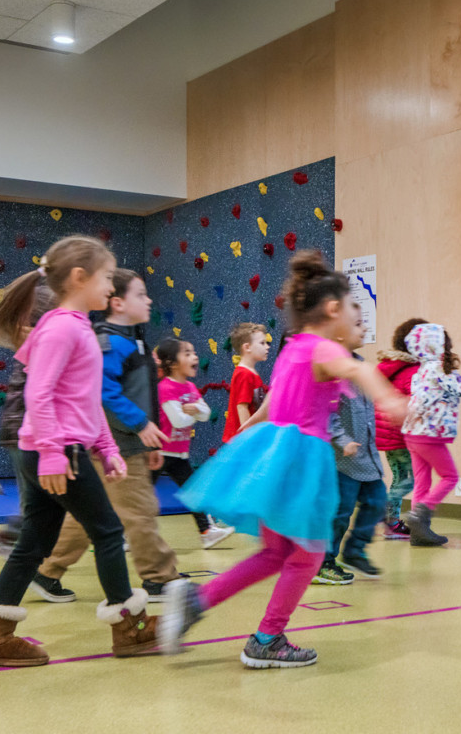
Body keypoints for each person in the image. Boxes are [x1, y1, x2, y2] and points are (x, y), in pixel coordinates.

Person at [159, 250, 407, 669]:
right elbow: (358, 371)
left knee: (277, 553)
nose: (356, 316)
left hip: (276, 452)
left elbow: (273, 406)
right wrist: (388, 398)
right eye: (353, 308)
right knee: (308, 555)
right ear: (333, 309)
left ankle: (196, 601)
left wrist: (244, 436)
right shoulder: (322, 349)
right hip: (302, 460)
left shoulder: (293, 348)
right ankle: (267, 638)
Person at [0, 236, 159, 668]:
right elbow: (40, 392)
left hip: (58, 445)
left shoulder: (74, 326)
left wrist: (106, 444)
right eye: (107, 277)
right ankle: (131, 628)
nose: (112, 287)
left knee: (35, 538)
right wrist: (54, 452)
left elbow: (84, 399)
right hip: (54, 449)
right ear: (79, 278)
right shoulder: (63, 326)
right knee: (108, 531)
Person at [32, 269, 185, 603]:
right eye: (141, 294)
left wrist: (152, 435)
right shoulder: (110, 342)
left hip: (127, 442)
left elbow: (143, 393)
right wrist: (141, 426)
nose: (149, 300)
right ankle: (160, 578)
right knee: (140, 511)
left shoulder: (133, 340)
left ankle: (46, 572)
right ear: (117, 303)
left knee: (88, 516)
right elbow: (103, 393)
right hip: (118, 444)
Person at [0, 280, 55, 559]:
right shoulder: (41, 342)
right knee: (39, 501)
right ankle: (14, 542)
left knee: (38, 500)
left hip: (23, 429)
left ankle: (16, 542)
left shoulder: (38, 341)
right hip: (25, 431)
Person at [400, 322, 461, 547]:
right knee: (450, 477)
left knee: (423, 481)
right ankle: (419, 517)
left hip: (412, 434)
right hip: (429, 435)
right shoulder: (439, 369)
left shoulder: (421, 370)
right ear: (437, 345)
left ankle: (418, 533)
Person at [321, 301, 387, 582]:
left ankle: (355, 550)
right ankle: (325, 560)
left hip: (366, 458)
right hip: (343, 460)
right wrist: (342, 440)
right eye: (358, 324)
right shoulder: (332, 370)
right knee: (340, 513)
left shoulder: (360, 365)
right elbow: (326, 413)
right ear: (338, 332)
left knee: (378, 502)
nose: (365, 328)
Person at [155, 337, 234, 548]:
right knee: (141, 495)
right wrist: (192, 412)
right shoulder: (166, 388)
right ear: (172, 363)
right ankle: (121, 533)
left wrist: (195, 410)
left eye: (194, 353)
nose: (195, 356)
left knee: (194, 491)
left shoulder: (189, 387)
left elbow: (206, 414)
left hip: (179, 454)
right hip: (159, 454)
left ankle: (207, 531)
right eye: (187, 353)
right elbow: (178, 421)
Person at [375, 318, 424, 538]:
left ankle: (391, 521)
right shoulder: (413, 371)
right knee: (409, 480)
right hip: (400, 435)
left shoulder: (388, 366)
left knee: (399, 478)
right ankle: (388, 519)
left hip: (386, 434)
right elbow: (416, 403)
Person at [223, 322, 270, 442]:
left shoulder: (251, 373)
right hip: (240, 440)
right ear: (247, 347)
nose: (267, 346)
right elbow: (242, 407)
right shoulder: (244, 374)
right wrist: (248, 437)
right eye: (262, 343)